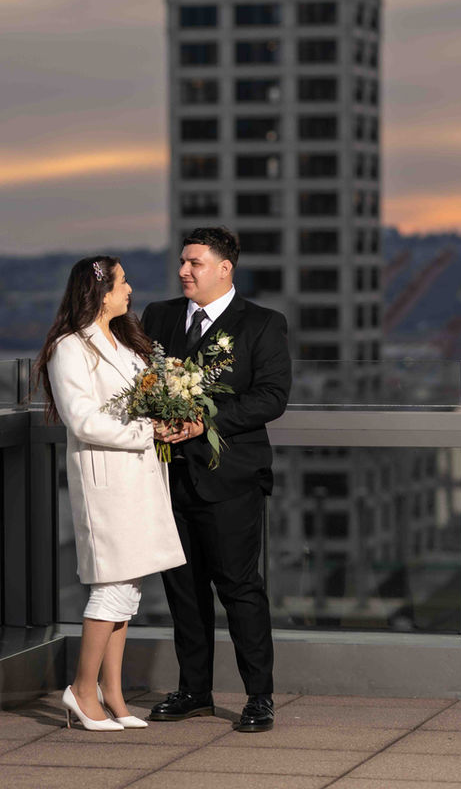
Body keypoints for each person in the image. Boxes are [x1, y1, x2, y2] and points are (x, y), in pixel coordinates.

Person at [141, 226, 291, 733]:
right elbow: (140, 380)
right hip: (168, 477)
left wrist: (204, 421)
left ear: (225, 269)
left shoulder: (263, 324)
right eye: (183, 262)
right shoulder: (158, 316)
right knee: (183, 590)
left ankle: (259, 697)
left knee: (239, 588)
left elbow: (272, 396)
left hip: (230, 480)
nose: (183, 271)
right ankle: (194, 692)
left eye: (195, 263)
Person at [34, 256, 186, 732]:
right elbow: (82, 420)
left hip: (139, 478)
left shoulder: (124, 341)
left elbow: (143, 398)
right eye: (122, 282)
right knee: (111, 587)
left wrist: (166, 417)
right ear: (100, 292)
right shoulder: (69, 347)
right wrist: (146, 430)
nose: (130, 289)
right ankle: (82, 691)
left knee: (128, 587)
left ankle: (113, 695)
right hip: (107, 482)